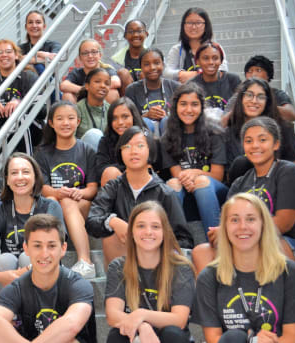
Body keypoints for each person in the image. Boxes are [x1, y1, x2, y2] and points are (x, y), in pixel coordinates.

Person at [192, 117, 295, 274]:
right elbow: (229, 222)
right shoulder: (240, 182)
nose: (255, 146)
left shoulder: (289, 172)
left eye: (262, 139)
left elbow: (283, 223)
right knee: (201, 252)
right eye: (249, 141)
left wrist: (234, 232)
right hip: (247, 243)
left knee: (265, 247)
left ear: (276, 144)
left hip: (289, 242)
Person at [193, 193, 295, 343]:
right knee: (234, 337)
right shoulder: (209, 277)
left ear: (263, 225)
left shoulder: (290, 273)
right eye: (234, 220)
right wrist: (253, 341)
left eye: (251, 219)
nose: (242, 226)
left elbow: (291, 338)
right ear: (224, 227)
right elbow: (214, 338)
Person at [87, 126, 193, 264]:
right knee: (111, 233)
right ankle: (121, 284)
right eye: (127, 146)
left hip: (157, 261)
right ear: (120, 152)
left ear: (150, 151)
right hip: (124, 257)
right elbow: (92, 220)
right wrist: (112, 221)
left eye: (140, 145)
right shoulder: (113, 187)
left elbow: (184, 240)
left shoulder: (164, 193)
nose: (133, 151)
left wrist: (151, 237)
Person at [0, 214, 96, 343]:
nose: (44, 254)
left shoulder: (78, 285)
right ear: (26, 248)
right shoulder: (17, 287)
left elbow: (71, 325)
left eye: (51, 246)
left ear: (63, 248)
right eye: (37, 246)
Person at [0, 152, 66, 301]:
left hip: (45, 268)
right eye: (14, 173)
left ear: (35, 177)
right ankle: (6, 316)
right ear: (7, 180)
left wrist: (21, 273)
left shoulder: (50, 206)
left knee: (28, 257)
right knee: (4, 260)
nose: (20, 177)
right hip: (9, 274)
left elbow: (54, 251)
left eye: (25, 172)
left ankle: (37, 315)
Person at [105, 201, 195, 343]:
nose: (148, 232)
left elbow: (179, 320)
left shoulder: (181, 267)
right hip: (137, 335)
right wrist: (143, 326)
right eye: (141, 226)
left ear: (164, 232)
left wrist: (141, 314)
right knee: (117, 335)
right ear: (131, 232)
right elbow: (112, 315)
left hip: (170, 338)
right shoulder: (118, 266)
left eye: (155, 227)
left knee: (172, 333)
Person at [34, 101, 97, 279]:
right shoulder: (43, 153)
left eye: (70, 118)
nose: (65, 123)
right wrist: (57, 193)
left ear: (78, 121)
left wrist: (80, 193)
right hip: (56, 203)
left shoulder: (87, 151)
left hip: (82, 205)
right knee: (52, 202)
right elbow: (43, 187)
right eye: (60, 119)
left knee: (67, 202)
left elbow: (93, 188)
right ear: (52, 123)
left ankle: (86, 261)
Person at [161, 83, 228, 237]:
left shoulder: (214, 134)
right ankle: (178, 243)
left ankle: (216, 242)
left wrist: (195, 172)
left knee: (201, 182)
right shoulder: (168, 138)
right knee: (172, 184)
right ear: (176, 107)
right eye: (183, 104)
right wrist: (189, 178)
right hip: (185, 185)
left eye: (194, 104)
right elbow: (177, 174)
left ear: (201, 107)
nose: (189, 110)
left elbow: (218, 175)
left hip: (213, 189)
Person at [224, 78, 295, 184]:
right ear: (241, 98)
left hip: (275, 186)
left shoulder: (283, 128)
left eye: (261, 97)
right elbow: (229, 175)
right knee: (241, 163)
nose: (254, 101)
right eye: (249, 95)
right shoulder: (230, 131)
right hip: (240, 191)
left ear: (267, 102)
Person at [0, 39, 41, 151]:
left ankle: (24, 159)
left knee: (16, 112)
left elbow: (42, 110)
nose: (4, 55)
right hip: (0, 128)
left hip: (31, 128)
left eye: (8, 51)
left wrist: (20, 103)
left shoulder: (28, 77)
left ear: (16, 56)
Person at [164, 7, 228, 83]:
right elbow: (166, 73)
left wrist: (197, 75)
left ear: (206, 25)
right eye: (189, 23)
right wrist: (181, 74)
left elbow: (223, 71)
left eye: (198, 23)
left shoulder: (215, 48)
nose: (193, 27)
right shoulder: (177, 50)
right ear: (183, 25)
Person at [125, 48, 181, 134]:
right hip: (144, 137)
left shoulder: (176, 87)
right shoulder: (131, 90)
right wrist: (146, 116)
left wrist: (168, 116)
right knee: (145, 122)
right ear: (141, 67)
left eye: (157, 63)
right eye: (146, 64)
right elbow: (127, 120)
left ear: (163, 65)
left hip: (172, 135)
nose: (152, 68)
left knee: (166, 121)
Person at [95, 97, 149, 186]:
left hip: (142, 185)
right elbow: (100, 170)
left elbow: (149, 167)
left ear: (134, 117)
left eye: (125, 117)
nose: (120, 122)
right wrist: (126, 168)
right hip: (117, 187)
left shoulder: (145, 138)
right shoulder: (106, 140)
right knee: (110, 172)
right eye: (115, 118)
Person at [187, 41, 241, 118]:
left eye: (215, 58)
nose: (211, 62)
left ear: (221, 61)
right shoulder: (191, 85)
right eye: (205, 58)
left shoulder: (233, 80)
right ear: (198, 61)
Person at [60, 39, 121, 104]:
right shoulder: (76, 72)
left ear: (100, 55)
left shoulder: (106, 69)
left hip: (102, 104)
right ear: (80, 57)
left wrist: (93, 90)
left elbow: (116, 82)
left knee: (112, 93)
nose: (90, 56)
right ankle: (74, 114)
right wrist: (86, 90)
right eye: (85, 53)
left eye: (94, 52)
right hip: (82, 107)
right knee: (67, 95)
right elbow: (63, 85)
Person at [75, 67, 111, 150]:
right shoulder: (76, 110)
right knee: (93, 135)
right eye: (97, 82)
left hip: (105, 156)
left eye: (107, 83)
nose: (103, 86)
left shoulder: (111, 110)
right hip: (83, 156)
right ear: (87, 86)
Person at [19, 10, 61, 75]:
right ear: (26, 27)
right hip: (26, 82)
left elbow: (54, 59)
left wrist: (30, 58)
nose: (34, 25)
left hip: (47, 82)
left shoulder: (54, 45)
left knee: (38, 66)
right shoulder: (20, 48)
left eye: (38, 22)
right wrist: (41, 55)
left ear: (44, 26)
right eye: (30, 22)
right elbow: (18, 60)